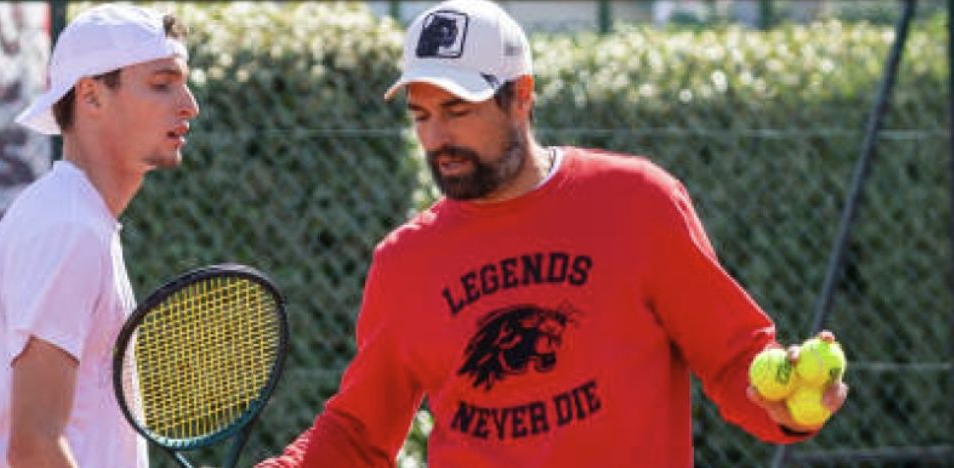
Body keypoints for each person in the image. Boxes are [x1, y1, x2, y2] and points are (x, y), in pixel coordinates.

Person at [258, 1, 847, 466]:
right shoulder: (404, 261)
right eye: (421, 115)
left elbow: (734, 358)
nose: (436, 138)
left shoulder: (638, 202)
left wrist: (787, 402)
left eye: (457, 110)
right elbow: (360, 434)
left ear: (521, 98)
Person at [0, 4, 199, 467]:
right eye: (162, 84)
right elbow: (34, 447)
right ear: (91, 96)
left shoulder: (79, 218)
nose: (189, 104)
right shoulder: (68, 227)